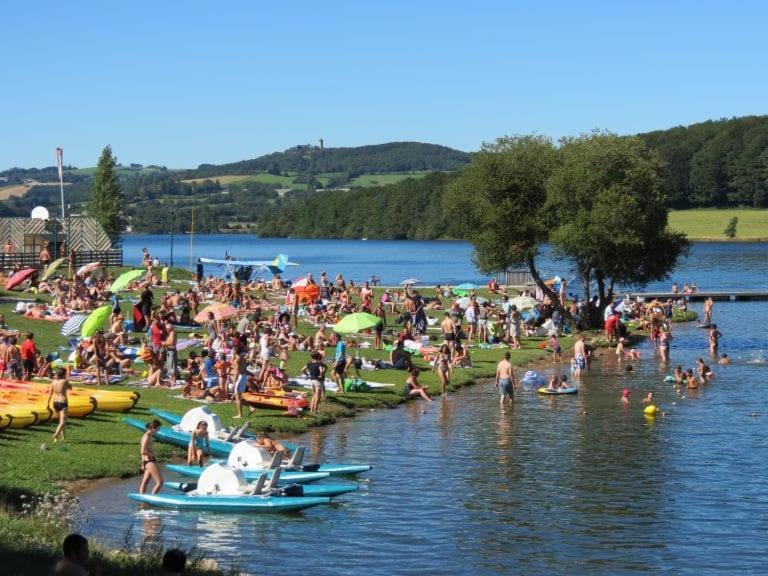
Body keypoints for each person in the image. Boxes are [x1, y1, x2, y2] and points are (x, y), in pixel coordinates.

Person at [47, 368, 72, 443]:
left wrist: (47, 404)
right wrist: (67, 381)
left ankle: (61, 438)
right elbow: (71, 388)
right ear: (64, 374)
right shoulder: (65, 381)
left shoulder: (53, 382)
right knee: (63, 422)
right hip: (63, 402)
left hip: (55, 402)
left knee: (60, 422)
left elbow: (50, 394)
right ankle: (56, 434)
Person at [139, 419, 164, 494]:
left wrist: (142, 463)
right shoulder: (146, 437)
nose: (158, 430)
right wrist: (152, 455)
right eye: (158, 428)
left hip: (148, 461)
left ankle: (142, 499)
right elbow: (142, 451)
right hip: (149, 461)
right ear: (153, 428)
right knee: (160, 482)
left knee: (145, 482)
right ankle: (153, 498)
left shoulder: (149, 436)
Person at [231, 352, 250, 419]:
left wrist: (234, 382)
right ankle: (251, 408)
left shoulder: (237, 361)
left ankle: (240, 415)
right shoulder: (243, 359)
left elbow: (237, 372)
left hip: (240, 377)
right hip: (244, 377)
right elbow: (245, 370)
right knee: (239, 396)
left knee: (238, 397)